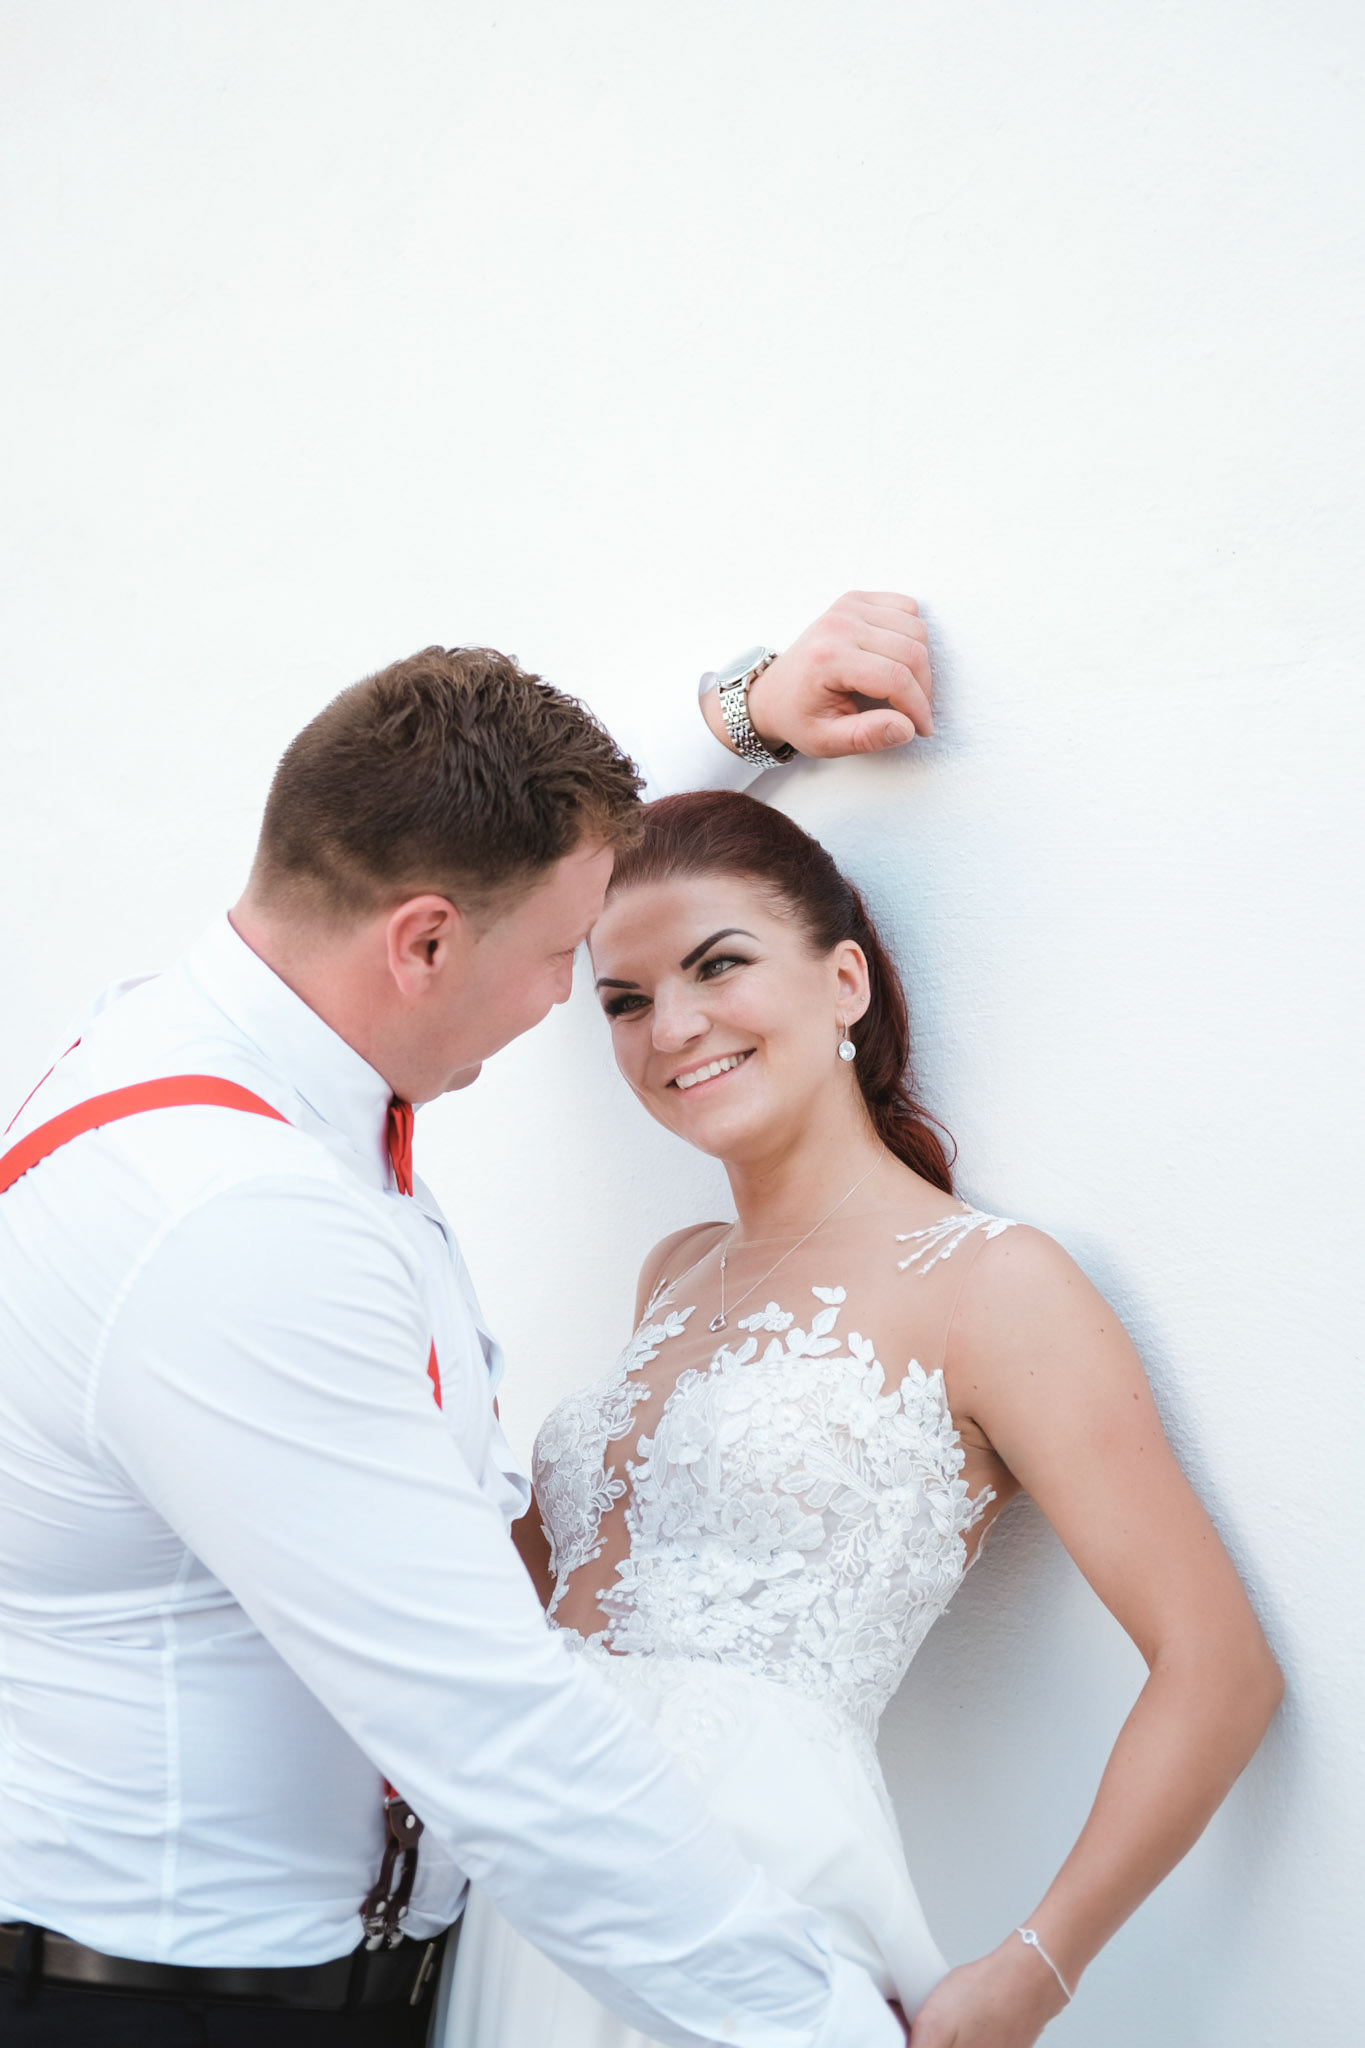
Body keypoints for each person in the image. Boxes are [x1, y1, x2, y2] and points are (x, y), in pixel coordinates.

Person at [0, 597, 934, 2046]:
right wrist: (821, 2025)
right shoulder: (232, 1223)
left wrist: (744, 713)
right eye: (570, 959)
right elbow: (488, 1726)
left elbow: (474, 830)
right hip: (177, 2012)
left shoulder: (215, 1031)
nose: (568, 997)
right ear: (424, 942)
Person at [445, 789, 1283, 2048]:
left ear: (845, 981)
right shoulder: (676, 1268)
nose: (672, 1026)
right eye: (622, 999)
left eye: (718, 964)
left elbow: (1221, 1666)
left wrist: (1033, 1970)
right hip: (537, 1879)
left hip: (749, 1884)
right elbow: (577, 1591)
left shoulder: (993, 1283)